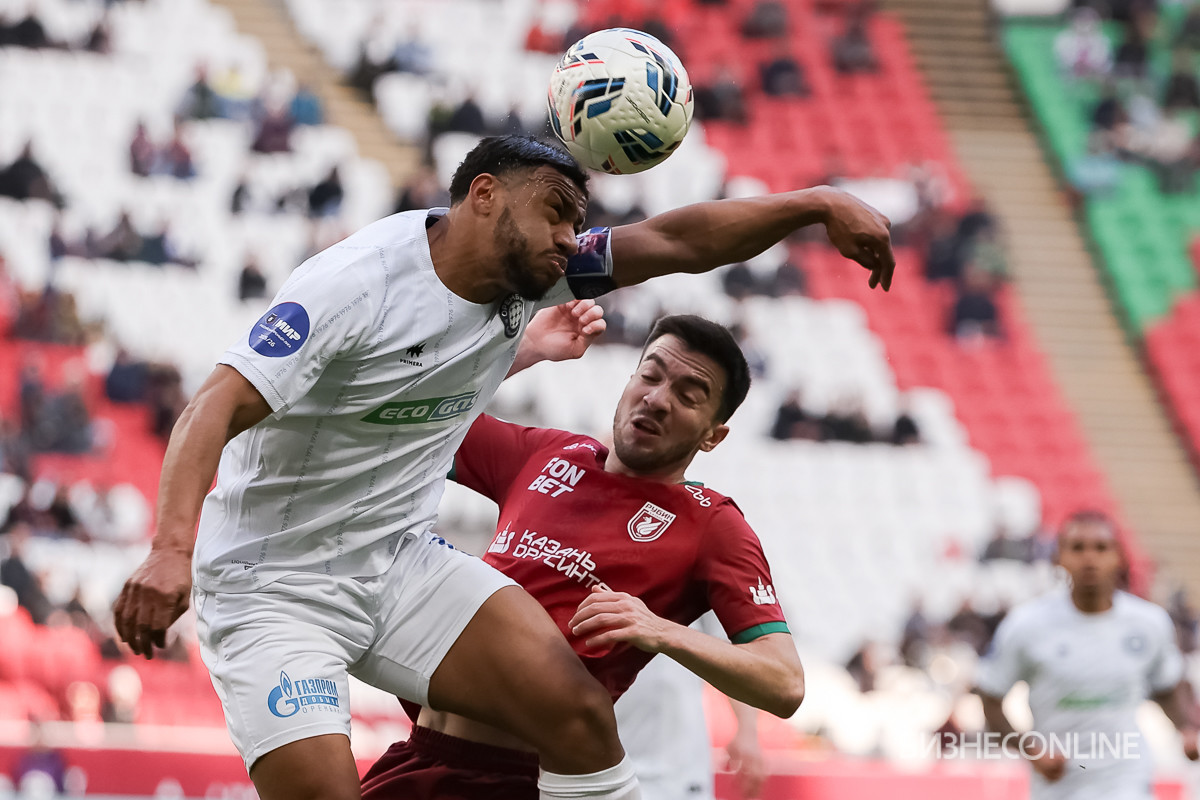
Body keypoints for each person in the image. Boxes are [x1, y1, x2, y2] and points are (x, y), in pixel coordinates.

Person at [112, 134, 892, 800]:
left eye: (578, 221)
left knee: (578, 715)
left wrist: (813, 204)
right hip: (274, 584)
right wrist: (172, 548)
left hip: (396, 561)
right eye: (556, 211)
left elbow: (678, 242)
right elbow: (214, 404)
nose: (570, 236)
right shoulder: (356, 284)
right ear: (485, 195)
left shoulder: (536, 277)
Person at [361, 314, 801, 799]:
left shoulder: (712, 524)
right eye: (650, 376)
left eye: (688, 395)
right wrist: (525, 349)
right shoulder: (548, 453)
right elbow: (407, 418)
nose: (657, 399)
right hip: (419, 755)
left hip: (517, 778)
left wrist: (661, 631)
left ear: (712, 436)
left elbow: (783, 683)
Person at [974, 511, 1200, 800]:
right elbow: (990, 697)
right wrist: (1032, 750)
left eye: (1101, 548)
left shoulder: (1149, 623)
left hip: (1127, 781)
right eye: (1078, 548)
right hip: (1059, 787)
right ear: (1058, 558)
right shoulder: (1026, 625)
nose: (1090, 558)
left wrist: (1185, 728)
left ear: (1119, 557)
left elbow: (1166, 687)